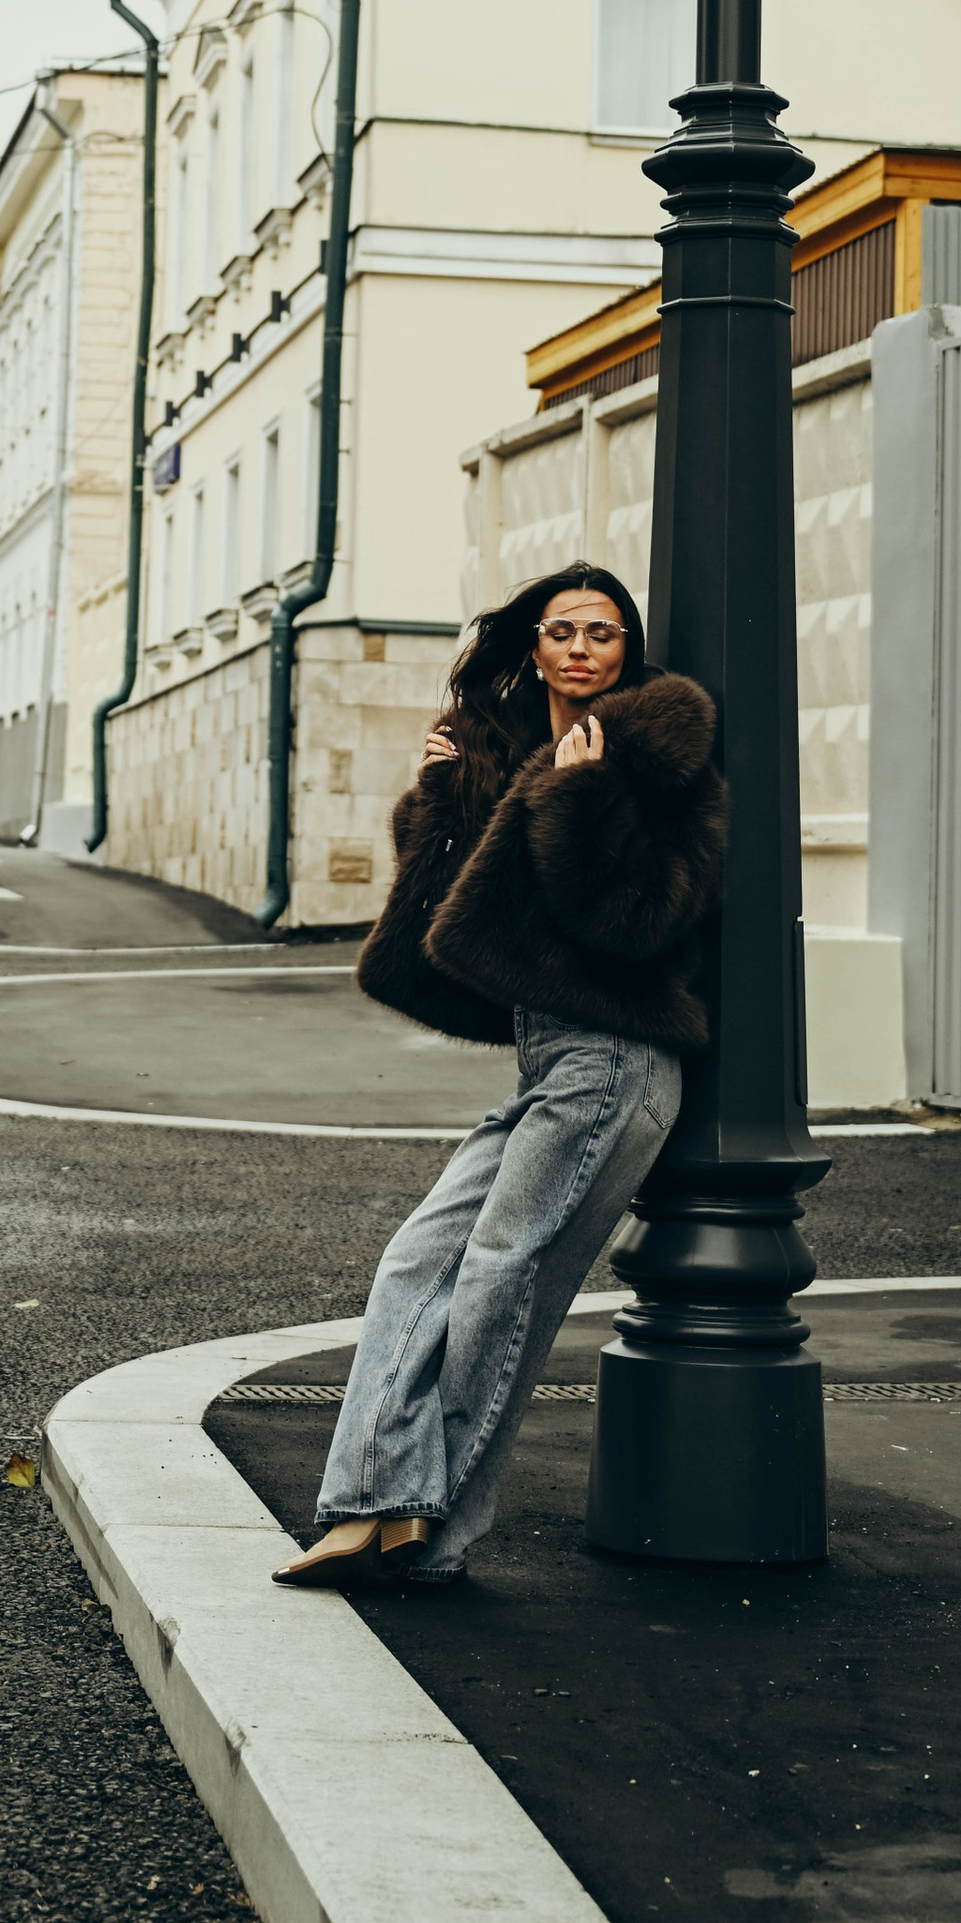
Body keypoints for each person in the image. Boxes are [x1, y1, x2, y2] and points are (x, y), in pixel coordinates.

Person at [273, 564, 723, 1591]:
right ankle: (373, 1505)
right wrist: (440, 797)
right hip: (548, 1058)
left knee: (498, 1274)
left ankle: (430, 1527)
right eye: (560, 631)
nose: (579, 648)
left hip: (616, 1060)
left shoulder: (654, 764)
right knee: (416, 1263)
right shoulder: (518, 755)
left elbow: (635, 924)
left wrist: (576, 796)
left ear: (627, 649)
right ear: (532, 649)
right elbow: (445, 928)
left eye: (602, 633)